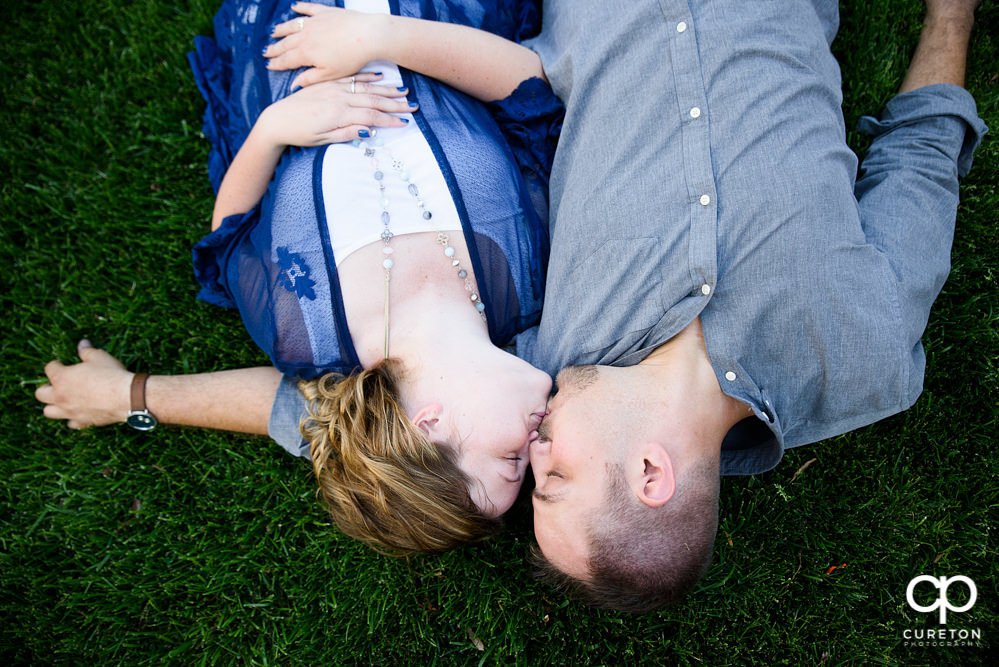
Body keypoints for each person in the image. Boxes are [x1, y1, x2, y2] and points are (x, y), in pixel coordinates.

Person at [35, 0, 562, 555]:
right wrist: (382, 34)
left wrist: (270, 131)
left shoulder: (306, 331)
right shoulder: (526, 283)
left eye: (513, 460)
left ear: (428, 423)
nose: (540, 448)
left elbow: (232, 240)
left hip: (291, 30)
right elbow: (526, 95)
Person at [520, 0, 988, 612]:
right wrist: (953, 17)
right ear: (649, 473)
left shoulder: (546, 360)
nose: (533, 449)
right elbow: (921, 159)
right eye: (554, 480)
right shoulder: (861, 352)